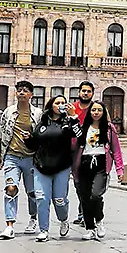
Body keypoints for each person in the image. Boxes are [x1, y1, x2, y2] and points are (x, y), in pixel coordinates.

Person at [25, 94, 82, 241]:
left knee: (59, 200)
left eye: (64, 102)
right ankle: (43, 229)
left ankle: (63, 220)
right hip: (41, 166)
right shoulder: (43, 121)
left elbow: (80, 136)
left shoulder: (68, 122)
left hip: (61, 166)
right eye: (58, 102)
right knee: (42, 198)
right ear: (51, 105)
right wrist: (28, 139)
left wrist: (73, 117)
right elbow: (34, 145)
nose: (61, 105)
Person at [0, 81, 42, 240]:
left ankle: (33, 218)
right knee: (10, 188)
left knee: (32, 192)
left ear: (31, 95)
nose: (22, 93)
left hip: (30, 158)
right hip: (12, 157)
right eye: (19, 90)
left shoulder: (37, 114)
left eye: (25, 90)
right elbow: (1, 134)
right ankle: (9, 225)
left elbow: (41, 136)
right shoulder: (8, 112)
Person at [74, 101, 124, 240]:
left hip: (101, 163)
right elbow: (75, 145)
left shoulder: (109, 128)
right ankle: (90, 228)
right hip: (84, 162)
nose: (96, 112)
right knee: (85, 197)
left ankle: (99, 221)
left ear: (103, 112)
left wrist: (120, 170)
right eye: (93, 110)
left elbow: (116, 150)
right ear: (89, 112)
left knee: (96, 194)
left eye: (99, 110)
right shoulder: (84, 128)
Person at [70, 81, 95, 227]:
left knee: (90, 183)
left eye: (88, 91)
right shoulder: (72, 108)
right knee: (78, 182)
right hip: (74, 150)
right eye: (83, 91)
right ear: (79, 92)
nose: (85, 93)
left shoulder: (96, 108)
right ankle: (82, 210)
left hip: (90, 149)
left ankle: (86, 213)